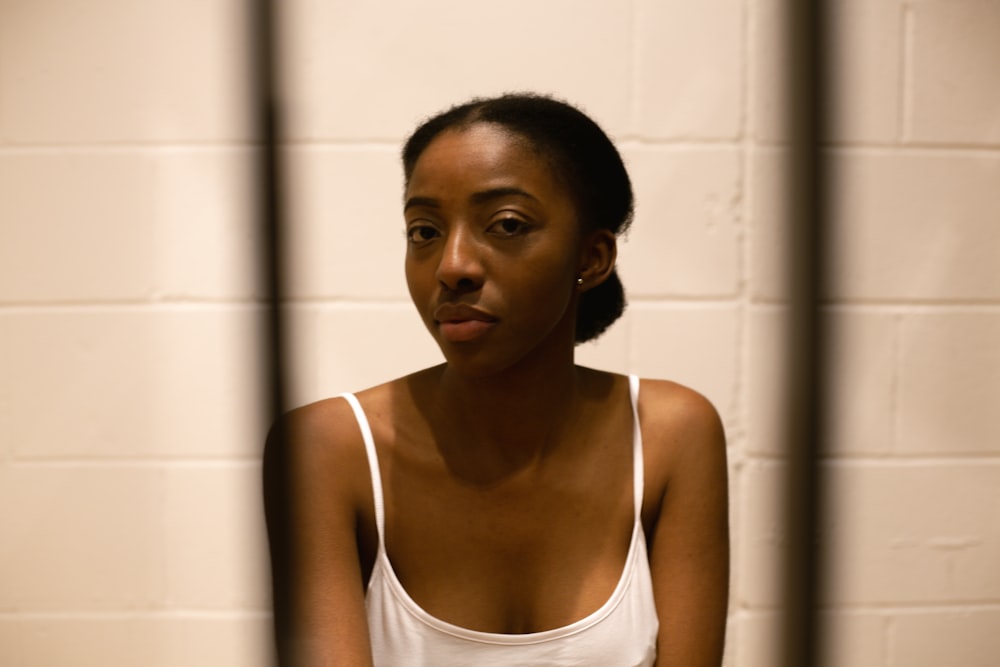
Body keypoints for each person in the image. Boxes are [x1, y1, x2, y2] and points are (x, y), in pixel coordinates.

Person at [263, 93, 729, 667]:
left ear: (593, 256)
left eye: (506, 224)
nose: (452, 265)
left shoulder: (669, 435)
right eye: (424, 231)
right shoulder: (329, 449)